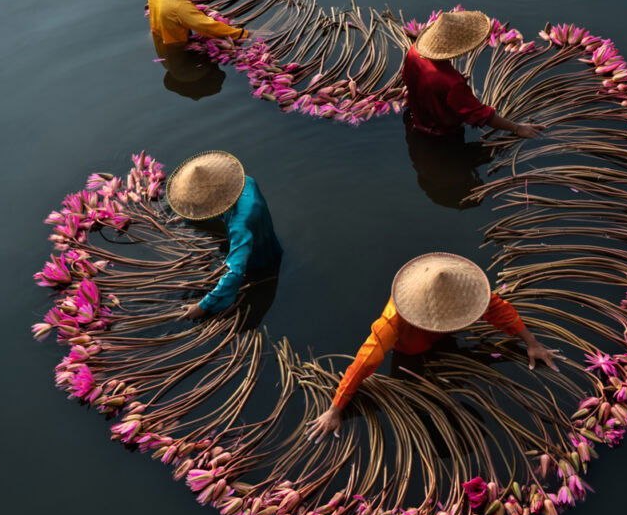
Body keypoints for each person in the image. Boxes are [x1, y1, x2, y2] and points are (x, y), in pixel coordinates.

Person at [306, 253, 560, 440]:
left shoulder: (462, 288)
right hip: (411, 351)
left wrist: (532, 343)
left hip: (444, 340)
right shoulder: (392, 323)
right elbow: (364, 362)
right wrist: (334, 409)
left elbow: (496, 309)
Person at [166, 151, 282, 319]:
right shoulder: (245, 182)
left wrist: (203, 306)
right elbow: (221, 204)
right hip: (262, 231)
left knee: (251, 268)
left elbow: (235, 272)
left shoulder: (240, 226)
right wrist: (188, 216)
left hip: (257, 258)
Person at [403, 9, 541, 139]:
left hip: (416, 117)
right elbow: (480, 114)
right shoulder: (452, 84)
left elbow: (411, 79)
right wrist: (517, 128)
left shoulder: (414, 51)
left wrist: (456, 79)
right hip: (442, 134)